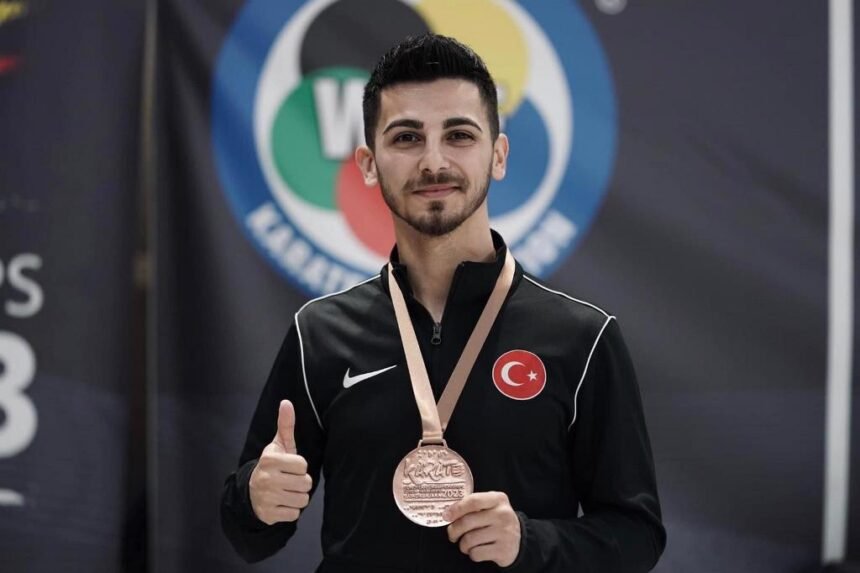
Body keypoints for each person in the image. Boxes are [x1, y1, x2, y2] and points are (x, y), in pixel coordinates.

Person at [221, 33, 666, 572]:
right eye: (407, 137)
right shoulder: (319, 333)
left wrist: (530, 543)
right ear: (368, 163)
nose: (433, 162)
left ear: (497, 155)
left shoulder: (582, 338)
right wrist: (256, 498)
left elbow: (636, 536)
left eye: (459, 135)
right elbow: (250, 537)